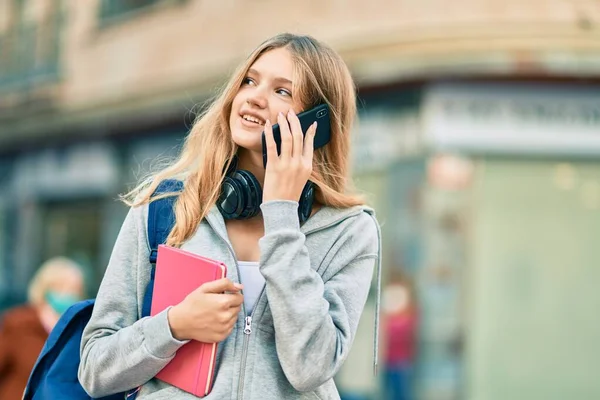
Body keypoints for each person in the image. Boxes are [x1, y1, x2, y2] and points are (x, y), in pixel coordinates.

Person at [79, 33, 381, 399]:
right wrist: (175, 325)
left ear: (315, 123)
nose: (254, 96)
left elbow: (311, 369)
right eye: (250, 81)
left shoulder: (349, 231)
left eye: (282, 91)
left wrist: (282, 216)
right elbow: (95, 369)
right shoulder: (165, 208)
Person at [0, 257, 84, 400]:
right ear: (45, 288)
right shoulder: (17, 323)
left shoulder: (79, 329)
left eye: (74, 289)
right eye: (61, 287)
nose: (68, 293)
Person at [382, 274, 417, 400]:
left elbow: (404, 330)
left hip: (401, 361)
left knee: (401, 392)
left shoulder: (410, 314)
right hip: (384, 360)